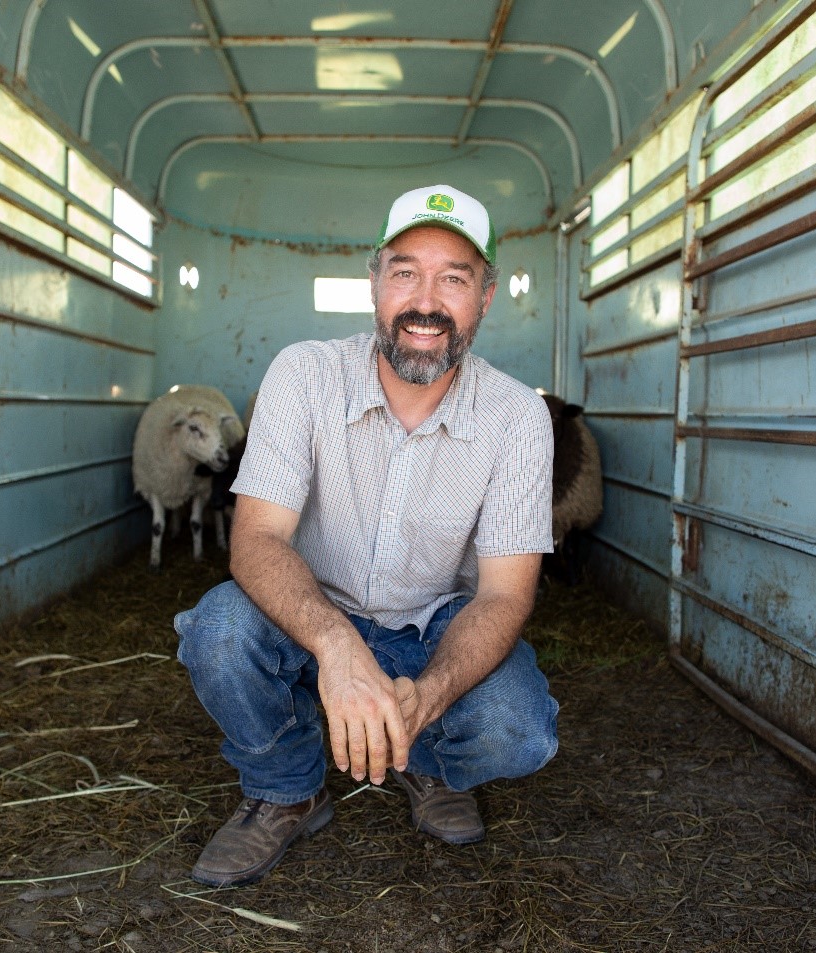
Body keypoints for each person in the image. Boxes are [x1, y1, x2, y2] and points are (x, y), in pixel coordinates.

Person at [173, 183, 559, 887]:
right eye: (406, 270)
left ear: (487, 296)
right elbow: (256, 538)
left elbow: (505, 595)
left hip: (433, 626)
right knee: (219, 633)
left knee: (519, 727)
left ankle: (428, 762)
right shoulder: (304, 374)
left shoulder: (517, 417)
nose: (426, 300)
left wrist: (434, 688)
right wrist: (334, 644)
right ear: (375, 280)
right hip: (313, 612)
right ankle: (287, 788)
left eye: (455, 277)